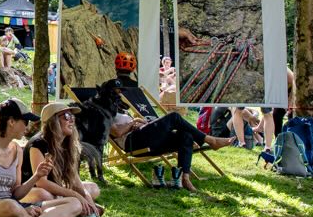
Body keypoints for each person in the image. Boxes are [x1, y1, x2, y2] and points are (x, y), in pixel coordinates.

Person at [95, 79, 238, 191]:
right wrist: (133, 123)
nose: (119, 94)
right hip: (134, 143)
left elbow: (128, 125)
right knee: (174, 117)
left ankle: (184, 177)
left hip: (145, 138)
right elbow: (117, 132)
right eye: (116, 92)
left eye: (120, 91)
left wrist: (140, 122)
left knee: (186, 136)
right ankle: (210, 140)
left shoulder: (120, 109)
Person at [27, 101, 105, 217]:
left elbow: (74, 179)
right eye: (67, 116)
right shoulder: (38, 144)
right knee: (45, 195)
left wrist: (87, 199)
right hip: (31, 191)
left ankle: (77, 207)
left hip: (55, 190)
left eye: (72, 116)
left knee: (93, 188)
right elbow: (42, 183)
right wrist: (74, 195)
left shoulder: (67, 144)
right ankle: (74, 208)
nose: (72, 120)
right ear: (53, 121)